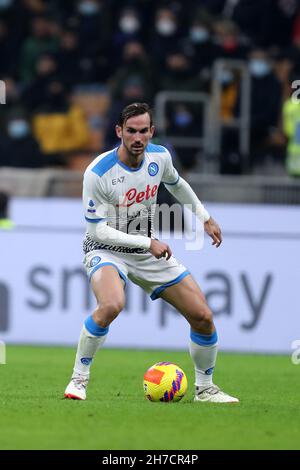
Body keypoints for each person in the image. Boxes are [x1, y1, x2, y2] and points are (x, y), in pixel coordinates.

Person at [64, 102, 239, 403]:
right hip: (107, 249)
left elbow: (177, 184)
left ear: (152, 132)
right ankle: (78, 380)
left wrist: (205, 217)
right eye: (131, 131)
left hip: (146, 250)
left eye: (144, 131)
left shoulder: (160, 157)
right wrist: (148, 243)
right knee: (112, 304)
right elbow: (97, 231)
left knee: (203, 316)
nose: (138, 138)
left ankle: (205, 389)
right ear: (119, 131)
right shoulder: (98, 173)